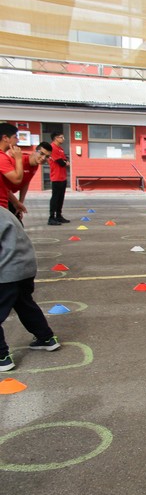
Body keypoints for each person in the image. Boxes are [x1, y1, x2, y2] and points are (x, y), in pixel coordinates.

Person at [0, 206, 62, 372]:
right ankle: (46, 338)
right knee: (24, 304)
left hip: (7, 272)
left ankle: (2, 357)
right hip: (25, 268)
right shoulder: (4, 212)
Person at [8, 142, 51, 225]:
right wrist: (17, 203)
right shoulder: (19, 161)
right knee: (14, 226)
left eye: (47, 156)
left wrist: (20, 203)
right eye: (42, 154)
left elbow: (25, 183)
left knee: (17, 225)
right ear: (35, 151)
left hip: (9, 197)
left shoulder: (35, 165)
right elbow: (3, 187)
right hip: (4, 196)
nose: (43, 158)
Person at [0, 123, 25, 219]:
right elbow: (17, 179)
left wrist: (16, 202)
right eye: (15, 137)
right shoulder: (1, 158)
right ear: (5, 138)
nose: (18, 140)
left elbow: (4, 187)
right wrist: (18, 159)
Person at [48, 131, 70, 225]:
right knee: (55, 198)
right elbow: (61, 162)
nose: (63, 139)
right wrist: (65, 162)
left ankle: (59, 216)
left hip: (62, 177)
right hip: (56, 177)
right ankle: (51, 217)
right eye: (61, 137)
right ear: (56, 138)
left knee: (61, 198)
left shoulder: (60, 148)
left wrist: (65, 162)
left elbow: (65, 160)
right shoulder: (52, 148)